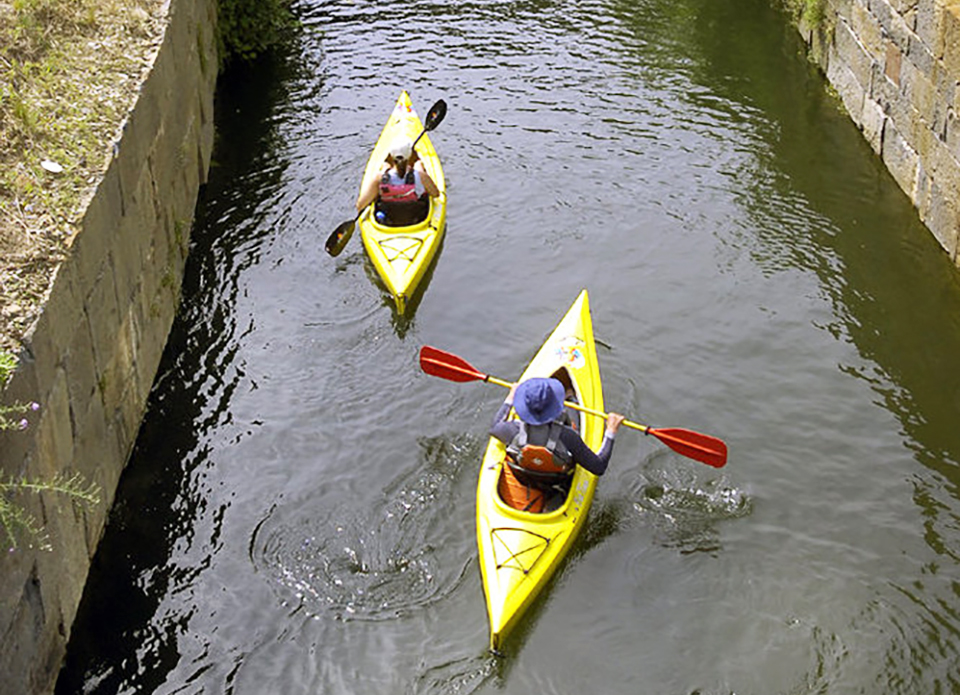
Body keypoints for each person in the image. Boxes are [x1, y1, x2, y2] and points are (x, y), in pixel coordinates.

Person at [489, 376, 625, 512]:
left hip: (527, 477)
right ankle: (571, 398)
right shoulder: (567, 436)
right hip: (556, 482)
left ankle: (570, 397)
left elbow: (495, 426)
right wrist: (611, 431)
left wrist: (510, 397)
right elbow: (598, 467)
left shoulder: (511, 430)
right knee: (572, 421)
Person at [356, 135, 439, 227]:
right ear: (410, 155)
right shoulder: (421, 176)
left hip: (389, 223)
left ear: (391, 156)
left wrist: (383, 171)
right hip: (415, 221)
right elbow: (435, 194)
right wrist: (419, 168)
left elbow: (360, 205)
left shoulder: (379, 178)